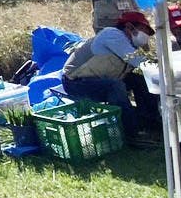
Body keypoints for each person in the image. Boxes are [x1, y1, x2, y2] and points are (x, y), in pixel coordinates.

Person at [60, 11, 158, 145]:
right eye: (143, 30)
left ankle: (151, 124)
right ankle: (131, 133)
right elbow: (140, 62)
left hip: (98, 79)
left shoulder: (130, 44)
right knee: (115, 86)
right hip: (76, 83)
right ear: (129, 27)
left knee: (139, 80)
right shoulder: (112, 35)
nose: (145, 36)